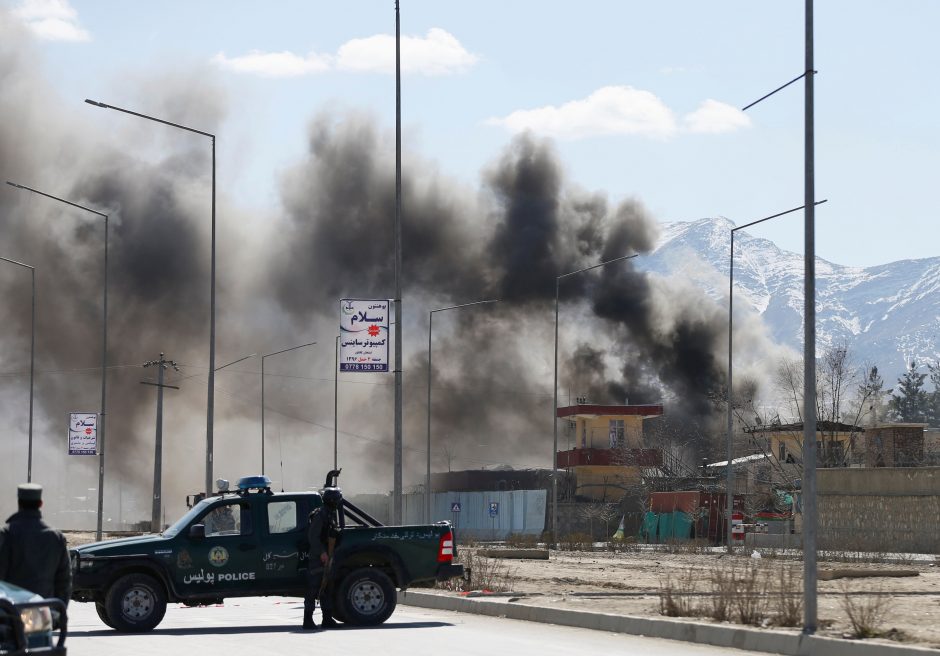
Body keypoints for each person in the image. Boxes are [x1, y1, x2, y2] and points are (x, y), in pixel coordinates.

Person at [0, 484, 71, 607]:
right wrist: (58, 611)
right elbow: (64, 580)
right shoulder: (55, 536)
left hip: (11, 612)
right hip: (44, 611)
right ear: (40, 504)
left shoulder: (6, 533)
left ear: (19, 503)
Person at [302, 488, 342, 630]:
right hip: (318, 557)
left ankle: (327, 619)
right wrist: (322, 553)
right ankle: (307, 620)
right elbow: (313, 537)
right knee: (313, 589)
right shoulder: (320, 515)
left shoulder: (329, 514)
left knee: (326, 588)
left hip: (327, 555)